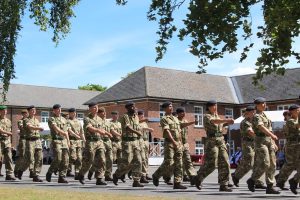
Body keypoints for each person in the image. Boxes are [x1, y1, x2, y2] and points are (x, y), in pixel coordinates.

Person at [195, 100, 234, 192]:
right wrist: (226, 120)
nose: (215, 107)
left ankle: (223, 184)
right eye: (213, 106)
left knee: (225, 161)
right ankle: (199, 177)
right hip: (212, 141)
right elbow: (214, 122)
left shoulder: (217, 116)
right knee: (212, 164)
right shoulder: (207, 116)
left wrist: (226, 123)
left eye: (216, 106)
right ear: (208, 107)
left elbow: (219, 124)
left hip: (220, 140)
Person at [246, 97, 280, 194]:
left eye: (264, 103)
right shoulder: (256, 116)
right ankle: (252, 180)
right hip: (260, 141)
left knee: (273, 164)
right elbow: (261, 127)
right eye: (262, 104)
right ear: (257, 105)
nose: (264, 105)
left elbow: (269, 128)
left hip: (268, 141)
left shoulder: (265, 115)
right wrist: (272, 135)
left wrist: (273, 142)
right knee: (266, 163)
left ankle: (270, 186)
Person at [152, 102, 186, 189]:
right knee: (168, 162)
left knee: (179, 163)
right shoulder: (164, 119)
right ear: (165, 108)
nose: (171, 107)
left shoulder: (175, 118)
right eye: (169, 106)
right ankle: (156, 175)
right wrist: (174, 141)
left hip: (178, 143)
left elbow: (179, 131)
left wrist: (180, 142)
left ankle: (177, 183)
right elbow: (167, 131)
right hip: (170, 143)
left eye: (172, 106)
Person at [231, 105, 266, 189]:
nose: (254, 113)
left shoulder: (256, 121)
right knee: (249, 162)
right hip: (248, 143)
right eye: (252, 112)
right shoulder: (245, 122)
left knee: (259, 162)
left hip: (256, 143)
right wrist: (263, 138)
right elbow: (251, 133)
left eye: (255, 112)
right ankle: (236, 176)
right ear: (248, 113)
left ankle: (258, 182)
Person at [112, 102, 144, 187]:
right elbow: (127, 127)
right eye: (132, 107)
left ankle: (136, 181)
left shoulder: (136, 117)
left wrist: (139, 132)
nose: (135, 108)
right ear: (128, 108)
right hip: (127, 142)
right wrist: (137, 132)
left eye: (135, 106)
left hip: (136, 142)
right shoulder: (125, 116)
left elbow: (138, 127)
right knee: (127, 162)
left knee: (138, 161)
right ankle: (117, 174)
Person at [77, 102, 109, 185]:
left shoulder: (100, 119)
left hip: (99, 141)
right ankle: (81, 174)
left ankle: (99, 178)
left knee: (102, 159)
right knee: (89, 160)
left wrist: (107, 133)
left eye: (97, 107)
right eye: (94, 107)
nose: (96, 108)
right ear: (90, 109)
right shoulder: (87, 118)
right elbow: (89, 128)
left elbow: (102, 129)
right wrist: (98, 130)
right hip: (91, 142)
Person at [276, 105, 300, 194]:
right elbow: (298, 126)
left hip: (297, 145)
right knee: (290, 164)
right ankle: (281, 180)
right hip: (292, 146)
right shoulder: (290, 121)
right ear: (294, 111)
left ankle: (293, 181)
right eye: (298, 110)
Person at [17, 105, 44, 182]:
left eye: (34, 110)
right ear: (29, 111)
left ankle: (36, 175)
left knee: (39, 158)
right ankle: (21, 170)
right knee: (29, 159)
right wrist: (39, 128)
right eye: (32, 110)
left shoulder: (37, 120)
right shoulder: (26, 120)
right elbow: (29, 127)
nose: (34, 111)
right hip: (30, 141)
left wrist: (38, 129)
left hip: (37, 140)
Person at [46, 104, 70, 183]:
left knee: (66, 160)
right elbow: (55, 128)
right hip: (56, 140)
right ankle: (50, 172)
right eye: (57, 109)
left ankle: (61, 177)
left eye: (60, 109)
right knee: (58, 158)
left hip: (64, 141)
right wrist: (63, 133)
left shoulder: (64, 119)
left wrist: (68, 141)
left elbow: (67, 131)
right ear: (54, 110)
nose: (59, 110)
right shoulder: (51, 119)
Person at [176, 107, 197, 184]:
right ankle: (166, 176)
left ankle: (191, 177)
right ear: (178, 114)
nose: (184, 114)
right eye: (182, 112)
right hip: (178, 144)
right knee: (177, 162)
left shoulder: (185, 120)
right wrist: (193, 122)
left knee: (188, 161)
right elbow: (182, 125)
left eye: (184, 112)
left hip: (185, 144)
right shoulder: (176, 121)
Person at [67, 108, 85, 180]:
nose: (74, 113)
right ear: (69, 113)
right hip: (72, 141)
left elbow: (82, 132)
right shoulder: (68, 121)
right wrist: (76, 135)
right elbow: (69, 131)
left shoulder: (78, 121)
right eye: (72, 112)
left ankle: (77, 173)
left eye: (75, 112)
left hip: (78, 142)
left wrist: (84, 140)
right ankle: (67, 167)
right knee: (72, 157)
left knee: (79, 158)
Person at [137, 109, 154, 183]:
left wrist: (150, 143)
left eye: (143, 114)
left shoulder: (144, 123)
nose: (142, 116)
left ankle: (146, 173)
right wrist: (148, 128)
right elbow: (140, 128)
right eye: (141, 115)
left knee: (146, 159)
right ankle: (142, 176)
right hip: (141, 141)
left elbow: (149, 134)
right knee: (143, 159)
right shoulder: (137, 122)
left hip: (146, 141)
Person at [0, 105, 16, 180]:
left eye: (6, 110)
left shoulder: (8, 121)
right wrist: (9, 133)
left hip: (7, 141)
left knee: (9, 157)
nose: (5, 111)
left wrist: (11, 143)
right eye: (3, 110)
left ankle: (9, 174)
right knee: (0, 159)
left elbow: (10, 132)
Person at [14, 109, 30, 177]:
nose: (26, 114)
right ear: (23, 114)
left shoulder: (30, 120)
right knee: (22, 156)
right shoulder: (20, 121)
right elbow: (21, 127)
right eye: (25, 113)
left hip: (29, 140)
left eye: (27, 113)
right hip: (23, 139)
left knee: (30, 155)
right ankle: (16, 170)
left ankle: (32, 171)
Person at [110, 111, 123, 178]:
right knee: (112, 159)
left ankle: (119, 174)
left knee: (120, 160)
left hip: (120, 143)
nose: (115, 116)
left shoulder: (119, 124)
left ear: (118, 116)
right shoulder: (110, 123)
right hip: (113, 142)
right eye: (113, 115)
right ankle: (108, 174)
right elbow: (112, 131)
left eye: (116, 115)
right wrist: (120, 134)